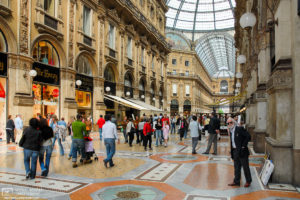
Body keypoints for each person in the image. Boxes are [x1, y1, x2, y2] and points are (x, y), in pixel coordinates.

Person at [227, 117, 252, 187]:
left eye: (230, 122)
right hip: (235, 151)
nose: (229, 124)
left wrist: (243, 146)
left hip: (242, 151)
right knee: (236, 167)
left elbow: (248, 136)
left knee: (245, 167)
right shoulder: (231, 131)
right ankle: (236, 181)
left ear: (234, 122)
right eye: (228, 123)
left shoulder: (239, 129)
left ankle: (248, 181)